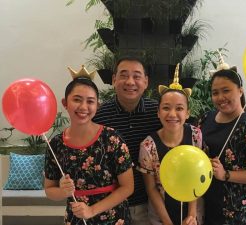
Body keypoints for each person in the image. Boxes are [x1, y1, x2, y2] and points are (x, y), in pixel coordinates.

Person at [44, 65, 134, 225]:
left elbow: (127, 187)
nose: (83, 107)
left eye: (90, 101)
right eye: (77, 99)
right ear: (65, 103)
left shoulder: (112, 138)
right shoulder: (56, 144)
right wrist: (62, 191)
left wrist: (92, 210)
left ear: (97, 106)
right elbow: (49, 190)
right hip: (76, 218)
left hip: (114, 218)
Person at [199, 62, 246, 225]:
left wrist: (226, 174)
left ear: (240, 91)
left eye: (226, 90)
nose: (220, 97)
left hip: (234, 207)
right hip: (205, 200)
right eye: (215, 92)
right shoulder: (206, 118)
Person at [93, 57, 162, 225]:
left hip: (150, 204)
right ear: (114, 80)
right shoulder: (99, 116)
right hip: (111, 205)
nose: (130, 82)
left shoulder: (159, 113)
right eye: (124, 75)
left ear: (146, 82)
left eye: (137, 76)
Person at [137, 64, 204, 225]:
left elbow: (197, 176)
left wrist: (192, 214)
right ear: (158, 112)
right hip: (161, 213)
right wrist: (167, 222)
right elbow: (151, 189)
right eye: (166, 108)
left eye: (179, 108)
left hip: (192, 210)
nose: (172, 114)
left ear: (187, 113)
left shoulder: (195, 135)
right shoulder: (148, 146)